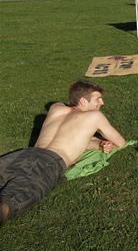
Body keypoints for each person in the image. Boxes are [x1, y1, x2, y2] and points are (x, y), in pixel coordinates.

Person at [0, 80, 126, 225]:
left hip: (20, 155)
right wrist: (99, 143)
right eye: (98, 98)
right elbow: (120, 142)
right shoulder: (94, 116)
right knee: (10, 202)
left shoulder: (56, 108)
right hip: (46, 164)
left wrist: (96, 144)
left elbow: (68, 136)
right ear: (83, 101)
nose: (102, 102)